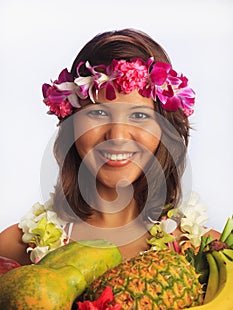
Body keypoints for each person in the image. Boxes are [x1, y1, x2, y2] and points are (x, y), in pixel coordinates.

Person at [0, 28, 219, 265]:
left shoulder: (206, 254)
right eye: (99, 112)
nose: (117, 136)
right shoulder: (15, 249)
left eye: (139, 116)